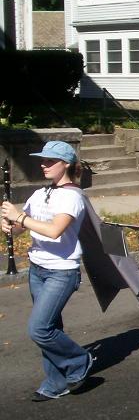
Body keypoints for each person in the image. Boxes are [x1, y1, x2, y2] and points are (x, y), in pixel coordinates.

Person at [1, 141, 93, 401]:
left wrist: (19, 217)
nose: (44, 164)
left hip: (61, 271)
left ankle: (79, 361)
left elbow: (54, 230)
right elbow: (23, 226)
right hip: (37, 267)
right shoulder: (40, 193)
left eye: (50, 161)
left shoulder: (73, 196)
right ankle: (55, 382)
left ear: (66, 164)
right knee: (51, 327)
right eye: (42, 160)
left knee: (39, 329)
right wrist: (9, 224)